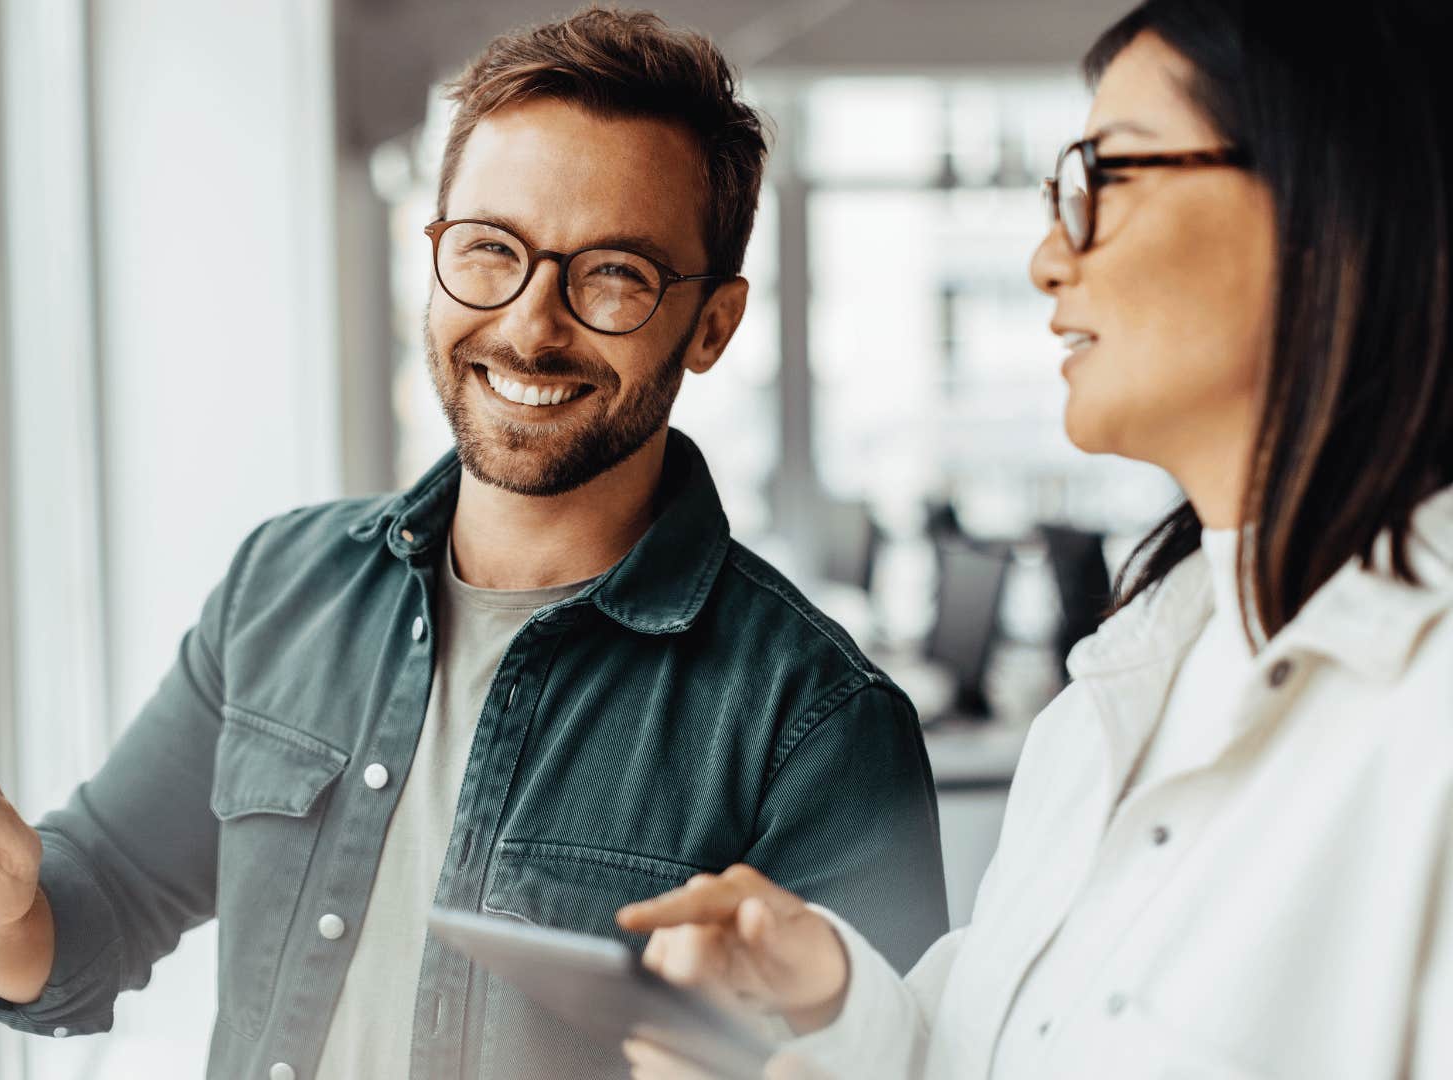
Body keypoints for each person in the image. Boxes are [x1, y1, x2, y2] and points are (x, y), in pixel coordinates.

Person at [0, 8, 949, 1078]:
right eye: (488, 250)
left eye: (612, 273)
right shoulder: (281, 587)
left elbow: (890, 1060)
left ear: (711, 323)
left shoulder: (819, 727)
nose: (529, 323)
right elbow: (95, 910)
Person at [616, 1, 1453, 1076]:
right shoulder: (1120, 689)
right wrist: (827, 995)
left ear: (1335, 196)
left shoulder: (1424, 712)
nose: (1049, 261)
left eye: (1106, 181)